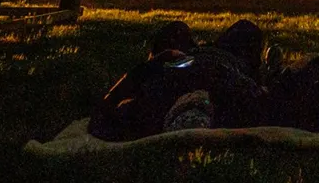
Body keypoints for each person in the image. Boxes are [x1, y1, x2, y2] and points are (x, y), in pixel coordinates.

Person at [87, 19, 269, 140]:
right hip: (226, 57)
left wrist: (158, 60)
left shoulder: (149, 108)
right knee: (246, 29)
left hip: (185, 59)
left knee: (177, 29)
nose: (195, 99)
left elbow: (103, 109)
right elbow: (262, 95)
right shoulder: (236, 101)